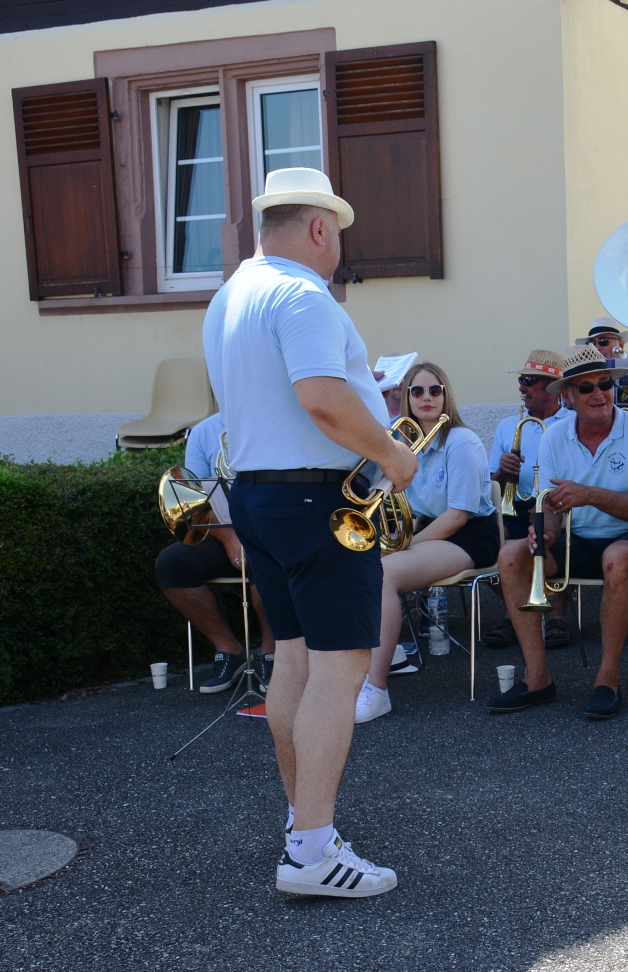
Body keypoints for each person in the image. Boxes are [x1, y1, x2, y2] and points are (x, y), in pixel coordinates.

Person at [203, 166, 418, 897]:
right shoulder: (303, 294)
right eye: (339, 239)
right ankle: (312, 854)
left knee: (292, 662)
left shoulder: (230, 295)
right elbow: (323, 399)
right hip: (316, 503)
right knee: (338, 669)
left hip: (260, 497)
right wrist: (392, 452)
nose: (338, 254)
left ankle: (304, 828)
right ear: (321, 227)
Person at [487, 345, 628, 720]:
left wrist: (589, 495)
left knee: (616, 557)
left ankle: (607, 680)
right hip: (579, 539)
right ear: (567, 397)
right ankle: (537, 678)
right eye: (586, 388)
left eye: (605, 384)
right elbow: (551, 506)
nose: (599, 393)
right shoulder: (554, 438)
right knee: (512, 555)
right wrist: (545, 533)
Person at [355, 363, 502, 723]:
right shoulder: (398, 441)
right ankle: (387, 658)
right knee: (356, 563)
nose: (426, 398)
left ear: (445, 394)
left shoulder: (461, 441)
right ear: (405, 398)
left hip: (470, 534)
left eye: (434, 390)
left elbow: (458, 516)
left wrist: (405, 545)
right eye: (416, 391)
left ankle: (376, 690)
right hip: (426, 529)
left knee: (386, 572)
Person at [154, 411, 277, 693]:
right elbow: (195, 500)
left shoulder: (272, 417)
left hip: (269, 529)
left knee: (268, 562)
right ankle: (230, 650)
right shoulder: (203, 432)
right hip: (222, 530)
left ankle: (272, 652)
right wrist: (230, 538)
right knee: (172, 564)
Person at [485, 350, 572, 648]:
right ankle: (516, 608)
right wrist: (502, 473)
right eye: (521, 380)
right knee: (488, 540)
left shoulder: (573, 422)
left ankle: (557, 613)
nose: (521, 387)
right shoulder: (508, 427)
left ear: (551, 386)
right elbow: (491, 484)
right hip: (517, 503)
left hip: (558, 504)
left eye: (528, 381)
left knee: (549, 534)